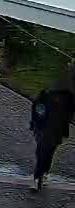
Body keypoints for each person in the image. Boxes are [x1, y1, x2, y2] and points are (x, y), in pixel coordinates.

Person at [30, 61, 75, 190]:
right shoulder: (47, 94)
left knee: (48, 151)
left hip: (55, 128)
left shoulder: (68, 98)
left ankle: (42, 174)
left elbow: (68, 115)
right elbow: (37, 107)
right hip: (45, 127)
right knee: (43, 151)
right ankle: (38, 176)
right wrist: (36, 122)